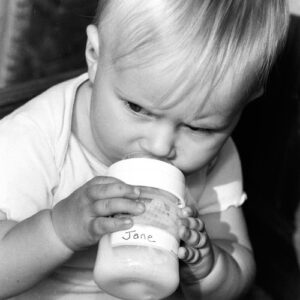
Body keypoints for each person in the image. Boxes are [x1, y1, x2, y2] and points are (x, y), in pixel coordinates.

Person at [0, 0, 289, 299]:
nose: (160, 146)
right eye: (137, 108)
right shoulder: (36, 138)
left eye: (199, 128)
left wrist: (210, 269)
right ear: (94, 57)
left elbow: (239, 273)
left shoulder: (216, 157)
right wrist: (59, 230)